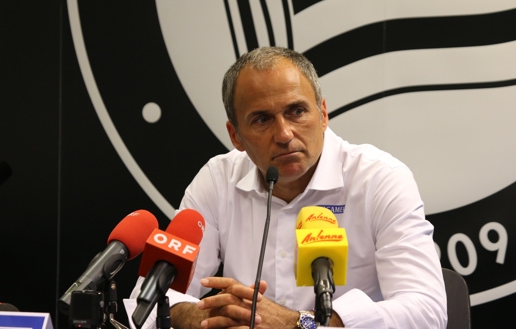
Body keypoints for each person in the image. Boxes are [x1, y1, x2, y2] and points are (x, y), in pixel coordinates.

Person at [127, 47, 447, 328]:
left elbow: (426, 311)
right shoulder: (216, 180)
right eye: (262, 120)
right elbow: (145, 302)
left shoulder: (379, 179)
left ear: (322, 114)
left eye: (297, 112)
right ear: (235, 136)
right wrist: (197, 319)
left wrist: (300, 325)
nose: (284, 134)